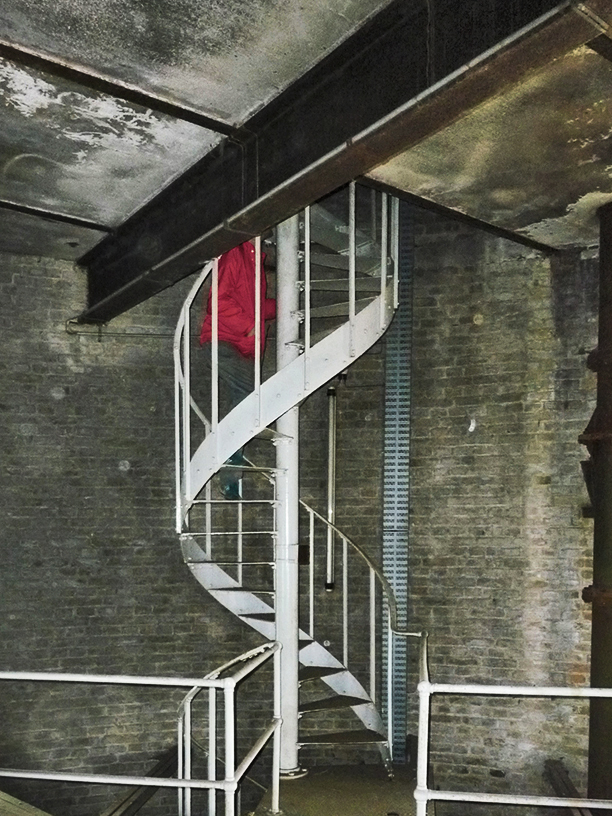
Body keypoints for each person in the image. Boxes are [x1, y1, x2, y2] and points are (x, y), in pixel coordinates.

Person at [200, 239, 276, 499]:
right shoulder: (235, 252)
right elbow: (217, 301)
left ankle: (229, 472)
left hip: (244, 346)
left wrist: (285, 305)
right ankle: (229, 458)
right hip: (226, 340)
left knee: (243, 405)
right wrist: (248, 326)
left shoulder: (255, 260)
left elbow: (255, 306)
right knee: (248, 401)